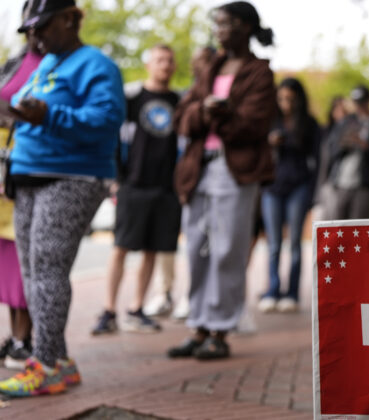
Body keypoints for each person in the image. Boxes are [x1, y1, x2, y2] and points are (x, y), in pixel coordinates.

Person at [0, 0, 125, 396]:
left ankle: (46, 365)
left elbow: (107, 120)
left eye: (41, 26)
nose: (34, 36)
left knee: (49, 269)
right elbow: (33, 115)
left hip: (72, 177)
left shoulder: (94, 64)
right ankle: (61, 359)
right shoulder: (49, 64)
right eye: (29, 31)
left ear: (70, 19)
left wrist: (48, 116)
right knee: (34, 272)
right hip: (29, 176)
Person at [168, 1, 276, 360]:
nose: (218, 31)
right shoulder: (209, 67)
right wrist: (203, 110)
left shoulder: (260, 72)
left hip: (236, 170)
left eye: (225, 24)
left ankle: (221, 330)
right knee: (196, 245)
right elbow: (182, 116)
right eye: (216, 24)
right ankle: (198, 326)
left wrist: (223, 113)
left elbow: (255, 125)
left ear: (244, 26)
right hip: (198, 167)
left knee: (228, 249)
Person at [91, 44, 181, 335]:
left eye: (169, 60)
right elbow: (112, 136)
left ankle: (137, 308)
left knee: (153, 249)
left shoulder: (179, 103)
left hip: (166, 188)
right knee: (121, 247)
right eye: (159, 59)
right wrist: (116, 178)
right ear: (149, 65)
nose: (164, 65)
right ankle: (108, 310)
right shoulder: (131, 98)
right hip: (133, 184)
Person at [143, 47, 217, 321]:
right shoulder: (186, 98)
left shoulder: (195, 96)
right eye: (197, 62)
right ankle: (165, 292)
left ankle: (195, 295)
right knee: (173, 240)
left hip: (205, 175)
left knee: (204, 241)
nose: (201, 67)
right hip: (180, 179)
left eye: (206, 62)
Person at [0, 1, 44, 370]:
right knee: (6, 257)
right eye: (29, 26)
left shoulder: (57, 66)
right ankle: (14, 337)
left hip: (26, 170)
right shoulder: (14, 62)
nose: (35, 34)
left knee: (24, 257)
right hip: (2, 167)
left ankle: (24, 340)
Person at [257, 78, 320, 313]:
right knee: (273, 243)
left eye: (291, 99)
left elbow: (317, 161)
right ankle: (272, 289)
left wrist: (313, 193)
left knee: (295, 242)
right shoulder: (270, 122)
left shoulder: (310, 124)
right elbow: (258, 154)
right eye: (282, 99)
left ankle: (292, 293)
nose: (286, 104)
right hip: (272, 187)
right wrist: (270, 143)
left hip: (299, 187)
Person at [325, 85, 369, 220]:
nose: (359, 106)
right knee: (337, 226)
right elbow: (332, 149)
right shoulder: (346, 121)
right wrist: (345, 144)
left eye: (362, 102)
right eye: (356, 103)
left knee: (359, 227)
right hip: (341, 182)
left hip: (365, 184)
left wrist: (365, 146)